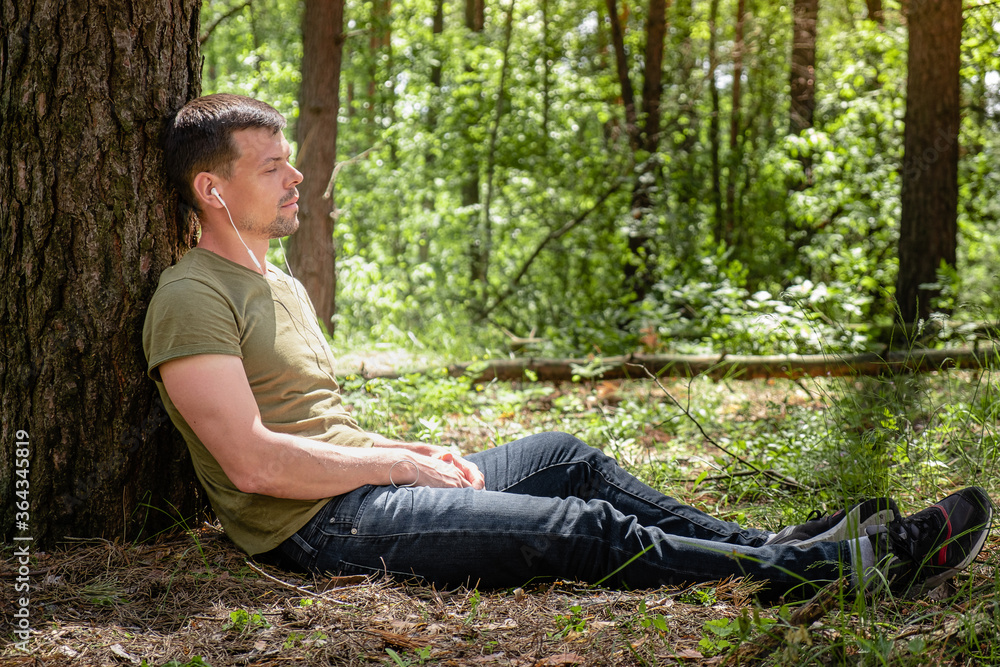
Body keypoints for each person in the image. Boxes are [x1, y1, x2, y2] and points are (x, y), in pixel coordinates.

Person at [143, 93, 993, 602]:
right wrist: (395, 465)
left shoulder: (281, 282)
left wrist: (405, 451)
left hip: (361, 485)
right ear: (212, 188)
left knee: (566, 456)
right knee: (579, 529)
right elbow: (253, 463)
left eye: (290, 160)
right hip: (317, 525)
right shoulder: (191, 297)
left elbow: (318, 422)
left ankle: (771, 542)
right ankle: (825, 570)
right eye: (272, 166)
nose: (296, 176)